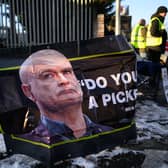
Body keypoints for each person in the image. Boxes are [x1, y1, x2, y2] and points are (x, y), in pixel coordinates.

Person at [19, 49, 112, 144]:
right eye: (48, 76)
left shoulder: (110, 133)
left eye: (67, 72)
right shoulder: (26, 144)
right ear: (28, 91)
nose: (64, 80)